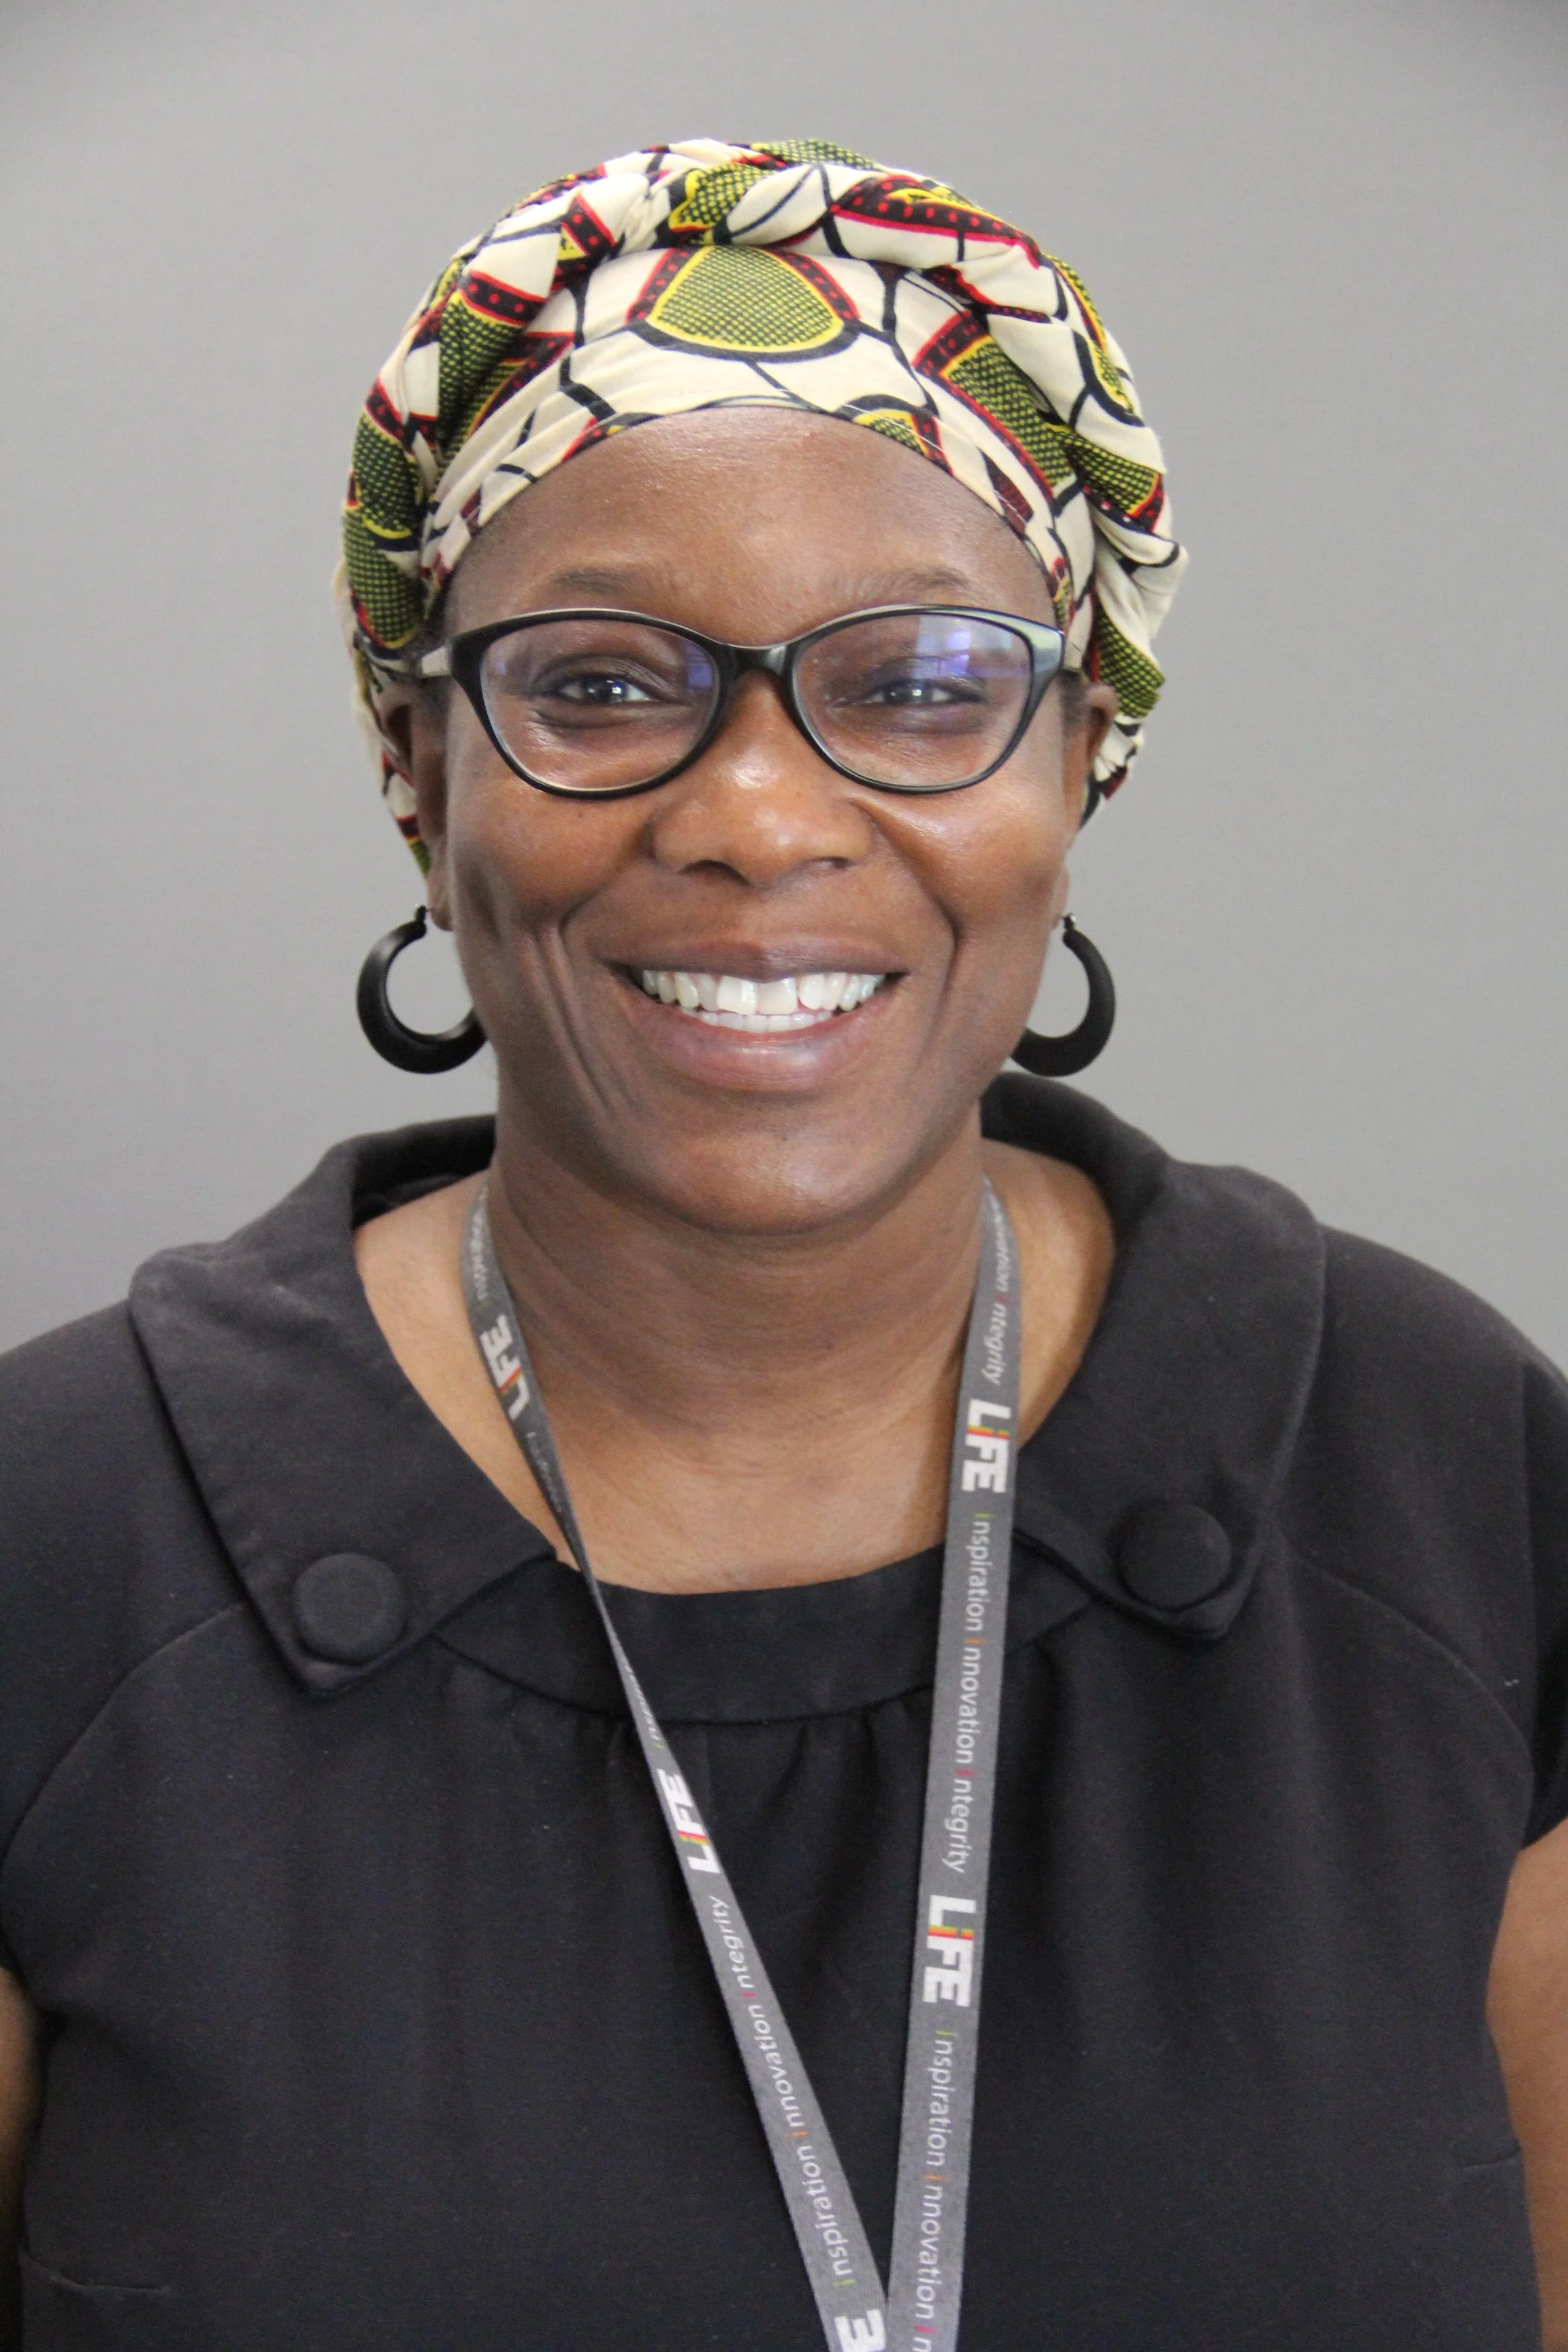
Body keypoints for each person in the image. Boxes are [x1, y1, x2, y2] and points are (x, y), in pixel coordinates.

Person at [1, 136, 1565, 2352]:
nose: (754, 814)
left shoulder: (1455, 1482)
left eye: (923, 680)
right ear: (420, 764)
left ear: (1082, 754)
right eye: (605, 684)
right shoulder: (51, 1547)